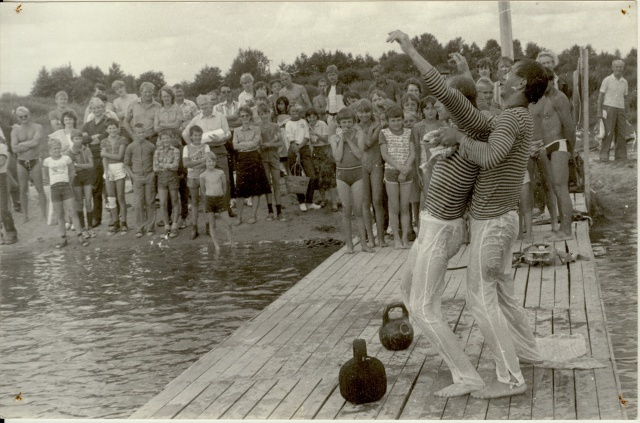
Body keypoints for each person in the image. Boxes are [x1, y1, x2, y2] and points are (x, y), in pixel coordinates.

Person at [389, 29, 545, 399]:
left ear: (519, 82)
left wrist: (411, 49)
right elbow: (468, 104)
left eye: (506, 76)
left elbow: (450, 94)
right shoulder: (498, 119)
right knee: (489, 295)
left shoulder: (487, 124)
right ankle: (526, 354)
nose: (499, 79)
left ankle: (491, 377)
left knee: (445, 305)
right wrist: (465, 94)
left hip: (473, 223)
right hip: (482, 220)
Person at [539, 67, 576, 241]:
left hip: (560, 144)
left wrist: (571, 151)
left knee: (561, 189)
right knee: (556, 187)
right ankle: (561, 228)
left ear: (552, 80)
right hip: (549, 146)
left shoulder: (559, 98)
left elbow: (569, 127)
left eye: (547, 81)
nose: (544, 84)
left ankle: (567, 231)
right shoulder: (544, 98)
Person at [328, 108, 371, 254]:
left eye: (349, 122)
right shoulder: (334, 138)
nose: (346, 125)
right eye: (343, 122)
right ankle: (349, 245)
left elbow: (359, 154)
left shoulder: (359, 134)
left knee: (358, 210)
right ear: (339, 124)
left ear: (353, 122)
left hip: (357, 173)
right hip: (342, 175)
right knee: (346, 211)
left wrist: (348, 140)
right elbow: (337, 158)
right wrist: (341, 140)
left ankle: (364, 244)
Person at [183, 94, 233, 215]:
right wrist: (193, 147)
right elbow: (185, 133)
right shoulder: (196, 119)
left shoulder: (220, 116)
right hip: (204, 152)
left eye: (205, 104)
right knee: (208, 181)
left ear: (210, 103)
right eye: (201, 105)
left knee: (224, 180)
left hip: (219, 149)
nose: (204, 107)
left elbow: (228, 133)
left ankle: (226, 209)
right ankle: (212, 210)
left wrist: (222, 139)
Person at [379, 105, 414, 249]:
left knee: (405, 207)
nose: (396, 123)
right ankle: (396, 238)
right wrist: (399, 168)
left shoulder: (409, 132)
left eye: (399, 120)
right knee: (394, 208)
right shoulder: (383, 133)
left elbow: (412, 153)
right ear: (388, 121)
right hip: (391, 172)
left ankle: (405, 238)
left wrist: (405, 170)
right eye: (393, 120)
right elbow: (384, 155)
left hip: (407, 172)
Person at [42, 138, 88, 248]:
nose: (57, 150)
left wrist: (69, 183)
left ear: (61, 148)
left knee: (73, 212)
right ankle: (63, 239)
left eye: (58, 148)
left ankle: (80, 237)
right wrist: (50, 182)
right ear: (50, 150)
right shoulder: (47, 161)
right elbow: (45, 176)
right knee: (59, 214)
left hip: (66, 187)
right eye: (54, 149)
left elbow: (72, 172)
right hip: (54, 189)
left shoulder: (66, 158)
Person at [233, 106, 271, 224]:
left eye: (247, 115)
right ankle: (239, 217)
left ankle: (253, 216)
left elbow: (256, 143)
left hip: (254, 158)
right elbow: (235, 146)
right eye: (242, 116)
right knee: (240, 190)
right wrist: (248, 145)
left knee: (256, 189)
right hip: (242, 159)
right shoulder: (236, 130)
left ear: (250, 116)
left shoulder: (256, 129)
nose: (245, 118)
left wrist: (243, 144)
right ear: (240, 118)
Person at [357, 99, 385, 247]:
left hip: (376, 164)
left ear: (371, 112)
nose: (364, 115)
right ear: (357, 113)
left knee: (377, 200)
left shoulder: (377, 126)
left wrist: (362, 131)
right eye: (361, 112)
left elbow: (368, 144)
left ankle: (381, 237)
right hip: (361, 166)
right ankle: (371, 238)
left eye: (367, 111)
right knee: (365, 203)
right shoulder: (359, 126)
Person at [11, 106, 47, 222]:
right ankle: (25, 215)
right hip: (21, 162)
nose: (24, 118)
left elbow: (36, 142)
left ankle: (43, 214)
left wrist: (21, 144)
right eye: (21, 117)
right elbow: (14, 148)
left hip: (34, 160)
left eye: (25, 116)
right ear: (18, 118)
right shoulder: (15, 130)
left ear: (29, 115)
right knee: (23, 189)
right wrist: (28, 145)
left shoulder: (37, 127)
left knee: (39, 188)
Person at [286, 103, 321, 212]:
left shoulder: (304, 122)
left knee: (312, 176)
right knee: (297, 177)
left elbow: (307, 136)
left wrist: (300, 147)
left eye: (297, 111)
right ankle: (301, 202)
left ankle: (309, 201)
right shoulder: (288, 124)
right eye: (292, 111)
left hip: (304, 148)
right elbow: (290, 138)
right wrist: (296, 151)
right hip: (293, 149)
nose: (295, 113)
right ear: (289, 112)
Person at [123, 123, 157, 238]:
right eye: (138, 132)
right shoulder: (131, 147)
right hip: (137, 177)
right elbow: (126, 164)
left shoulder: (151, 146)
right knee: (138, 203)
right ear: (135, 133)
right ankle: (139, 227)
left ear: (146, 133)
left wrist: (153, 173)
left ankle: (150, 226)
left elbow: (156, 161)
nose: (141, 134)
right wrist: (132, 175)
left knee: (150, 201)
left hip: (149, 176)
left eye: (142, 132)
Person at [81, 97, 110, 227]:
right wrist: (94, 137)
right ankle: (97, 218)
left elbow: (108, 135)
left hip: (108, 157)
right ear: (91, 110)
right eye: (94, 108)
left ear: (103, 108)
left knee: (111, 187)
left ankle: (116, 217)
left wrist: (96, 137)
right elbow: (83, 139)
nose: (97, 110)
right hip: (94, 158)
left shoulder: (109, 121)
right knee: (96, 188)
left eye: (99, 107)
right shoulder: (88, 124)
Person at [200, 152, 234, 253]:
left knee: (228, 223)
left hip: (220, 199)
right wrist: (206, 200)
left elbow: (225, 186)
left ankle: (232, 242)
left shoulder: (220, 172)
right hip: (209, 200)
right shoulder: (202, 175)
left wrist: (222, 197)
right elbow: (203, 190)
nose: (211, 163)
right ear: (205, 163)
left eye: (213, 161)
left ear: (216, 162)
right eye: (209, 161)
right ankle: (216, 246)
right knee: (212, 224)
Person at [257, 103, 286, 221]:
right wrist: (261, 146)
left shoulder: (275, 126)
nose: (264, 116)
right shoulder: (257, 128)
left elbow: (281, 143)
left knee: (277, 184)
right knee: (267, 185)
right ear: (259, 115)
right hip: (263, 159)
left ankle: (279, 212)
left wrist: (269, 144)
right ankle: (270, 211)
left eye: (266, 113)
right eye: (261, 114)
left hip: (274, 157)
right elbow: (258, 145)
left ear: (270, 113)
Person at [597, 59, 630, 162]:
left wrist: (627, 111)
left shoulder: (625, 82)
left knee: (621, 133)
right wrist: (599, 110)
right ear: (612, 68)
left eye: (620, 67)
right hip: (608, 108)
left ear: (623, 68)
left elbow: (625, 97)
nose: (618, 69)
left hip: (621, 109)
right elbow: (601, 95)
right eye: (616, 67)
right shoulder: (607, 80)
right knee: (608, 132)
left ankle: (620, 156)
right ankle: (604, 156)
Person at [182, 125, 210, 239]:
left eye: (199, 135)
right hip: (192, 177)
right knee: (194, 203)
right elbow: (185, 164)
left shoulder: (206, 146)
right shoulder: (187, 148)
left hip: (204, 176)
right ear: (191, 136)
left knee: (205, 202)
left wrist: (194, 163)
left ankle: (208, 226)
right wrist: (200, 162)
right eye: (195, 135)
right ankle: (195, 227)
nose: (197, 137)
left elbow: (207, 162)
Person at [101, 119, 129, 234]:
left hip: (119, 167)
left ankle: (124, 222)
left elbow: (119, 156)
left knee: (121, 196)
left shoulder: (123, 139)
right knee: (111, 198)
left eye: (114, 128)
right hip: (109, 168)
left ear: (118, 128)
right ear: (106, 130)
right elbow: (104, 159)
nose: (112, 130)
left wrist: (105, 153)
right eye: (110, 128)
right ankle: (116, 222)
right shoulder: (103, 141)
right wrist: (106, 171)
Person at [68, 128, 96, 239]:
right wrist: (79, 167)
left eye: (80, 138)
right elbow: (71, 169)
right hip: (76, 179)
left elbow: (91, 165)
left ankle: (90, 228)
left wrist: (78, 165)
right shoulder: (69, 152)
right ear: (72, 139)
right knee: (79, 203)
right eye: (76, 139)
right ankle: (83, 229)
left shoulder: (87, 149)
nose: (78, 141)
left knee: (89, 202)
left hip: (87, 177)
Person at [307, 108, 337, 211]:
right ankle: (324, 199)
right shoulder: (306, 126)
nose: (312, 119)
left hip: (325, 150)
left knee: (330, 176)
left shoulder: (322, 124)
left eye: (314, 117)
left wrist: (315, 134)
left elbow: (326, 139)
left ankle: (334, 202)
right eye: (309, 117)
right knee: (319, 177)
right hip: (315, 151)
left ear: (317, 117)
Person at [154, 129, 181, 238]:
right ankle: (166, 226)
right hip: (161, 179)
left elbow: (175, 166)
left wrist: (163, 165)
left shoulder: (175, 150)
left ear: (171, 139)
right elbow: (155, 168)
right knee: (163, 203)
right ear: (160, 140)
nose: (165, 140)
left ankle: (174, 225)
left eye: (167, 138)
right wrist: (168, 166)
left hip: (173, 178)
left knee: (174, 201)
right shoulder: (157, 151)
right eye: (163, 138)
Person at [0, 134, 18, 244]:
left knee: (3, 207)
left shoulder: (2, 146)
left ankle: (11, 232)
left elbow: (1, 161)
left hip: (1, 177)